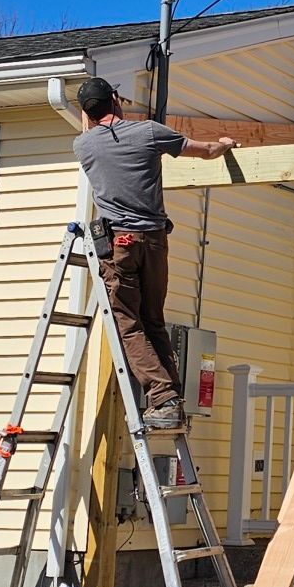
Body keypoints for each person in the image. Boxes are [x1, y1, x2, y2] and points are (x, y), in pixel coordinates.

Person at [72, 78, 237, 429]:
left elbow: (93, 128)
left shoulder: (83, 146)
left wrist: (95, 112)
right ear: (115, 100)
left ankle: (163, 398)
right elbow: (206, 151)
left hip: (121, 246)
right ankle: (169, 399)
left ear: (86, 112)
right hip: (155, 240)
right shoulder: (147, 133)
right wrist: (223, 143)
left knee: (128, 325)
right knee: (153, 321)